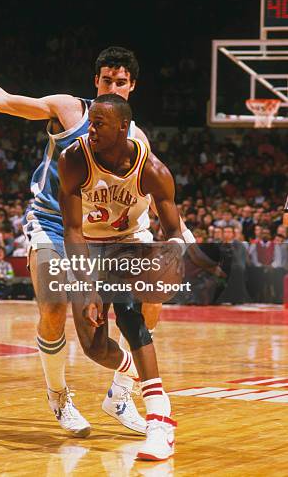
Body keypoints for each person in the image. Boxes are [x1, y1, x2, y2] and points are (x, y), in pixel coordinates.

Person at [0, 28, 194, 436]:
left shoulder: (136, 139)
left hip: (110, 232)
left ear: (133, 86)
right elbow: (5, 102)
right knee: (53, 308)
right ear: (95, 82)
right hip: (53, 221)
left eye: (121, 82)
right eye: (106, 80)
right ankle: (58, 395)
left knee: (149, 300)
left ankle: (120, 395)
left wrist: (182, 239)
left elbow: (152, 194)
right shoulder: (70, 110)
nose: (113, 87)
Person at [58, 94, 183, 461]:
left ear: (123, 127)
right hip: (89, 248)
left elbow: (173, 229)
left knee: (130, 316)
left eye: (99, 123)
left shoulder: (151, 169)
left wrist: (173, 258)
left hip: (131, 243)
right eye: (90, 121)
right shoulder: (74, 160)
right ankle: (131, 372)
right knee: (94, 346)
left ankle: (160, 422)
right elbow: (72, 229)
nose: (89, 129)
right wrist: (86, 284)